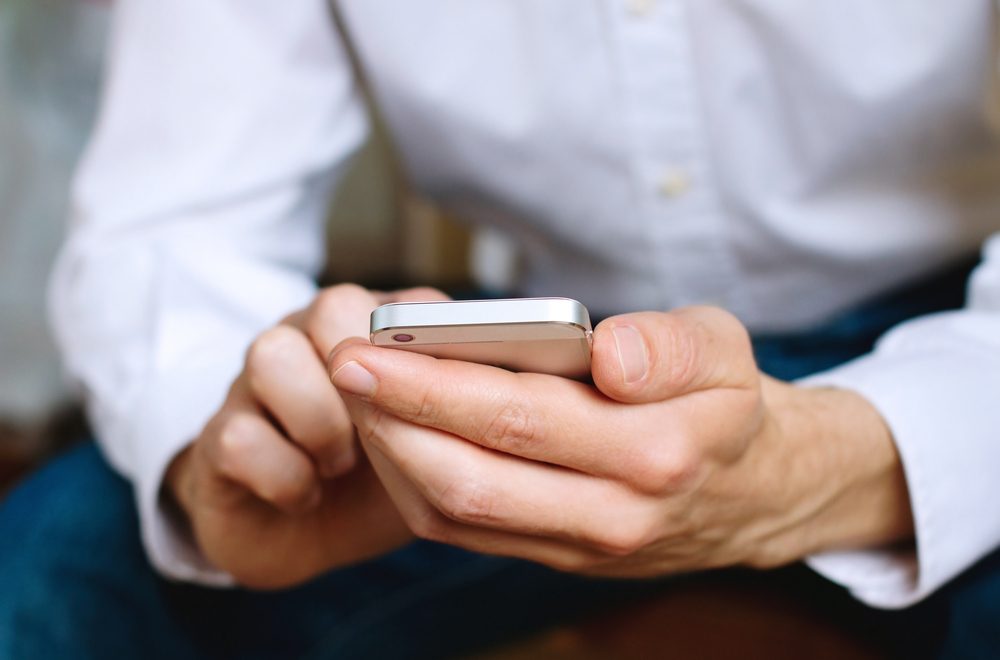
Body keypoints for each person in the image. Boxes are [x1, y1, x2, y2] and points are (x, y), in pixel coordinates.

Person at [2, 1, 999, 657]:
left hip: (956, 345)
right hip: (541, 374)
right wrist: (233, 449)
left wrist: (832, 461)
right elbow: (178, 221)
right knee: (50, 573)